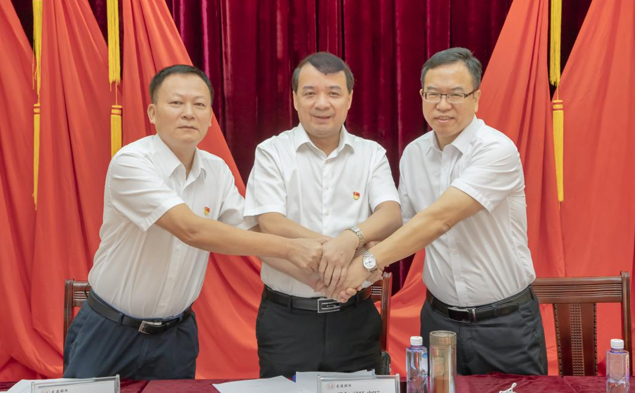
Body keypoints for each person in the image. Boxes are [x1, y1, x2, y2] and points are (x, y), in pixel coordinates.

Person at [63, 65, 323, 380]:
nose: (188, 113)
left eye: (199, 104)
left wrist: (318, 280)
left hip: (175, 337)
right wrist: (293, 248)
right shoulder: (131, 162)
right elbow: (191, 229)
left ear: (210, 117)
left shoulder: (217, 170)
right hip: (108, 329)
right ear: (153, 113)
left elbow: (253, 234)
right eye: (176, 103)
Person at [339, 47, 548, 375]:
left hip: (505, 323)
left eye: (455, 94)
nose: (443, 104)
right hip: (439, 322)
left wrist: (365, 263)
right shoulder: (414, 154)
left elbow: (439, 220)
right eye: (433, 93)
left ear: (476, 98)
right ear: (422, 96)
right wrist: (361, 254)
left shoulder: (496, 150)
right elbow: (404, 225)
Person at [244, 52, 402, 377]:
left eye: (333, 93)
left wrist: (350, 239)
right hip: (287, 320)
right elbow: (271, 223)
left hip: (355, 318)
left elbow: (390, 214)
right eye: (310, 93)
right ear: (294, 99)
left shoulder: (371, 154)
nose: (322, 103)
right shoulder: (272, 152)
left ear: (349, 99)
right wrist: (343, 250)